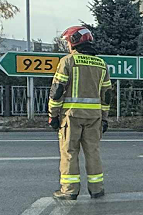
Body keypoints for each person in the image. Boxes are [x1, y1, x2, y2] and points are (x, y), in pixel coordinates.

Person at [48, 25, 113, 201]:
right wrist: (104, 119)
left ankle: (69, 190)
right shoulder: (101, 64)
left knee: (69, 152)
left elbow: (57, 90)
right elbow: (107, 95)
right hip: (95, 118)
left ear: (74, 42)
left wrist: (52, 115)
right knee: (93, 152)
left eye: (68, 42)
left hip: (71, 116)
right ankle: (97, 189)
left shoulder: (68, 61)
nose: (68, 45)